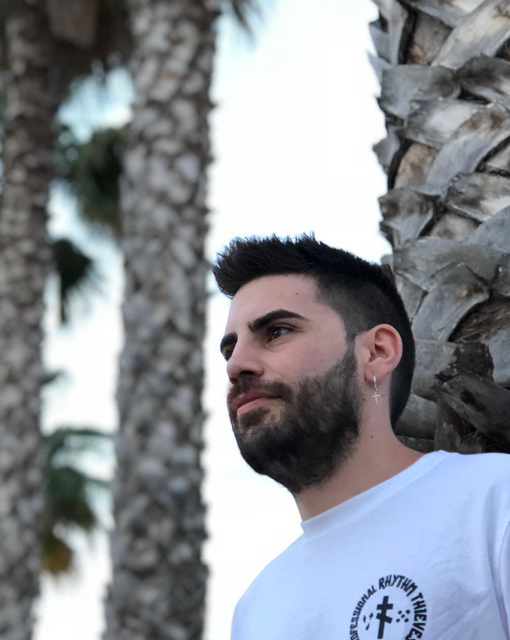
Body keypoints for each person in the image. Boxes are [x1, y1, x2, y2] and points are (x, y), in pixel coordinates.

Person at [213, 234, 510, 640]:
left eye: (277, 331)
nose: (236, 366)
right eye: (229, 350)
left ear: (377, 352)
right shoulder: (256, 610)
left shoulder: (493, 503)